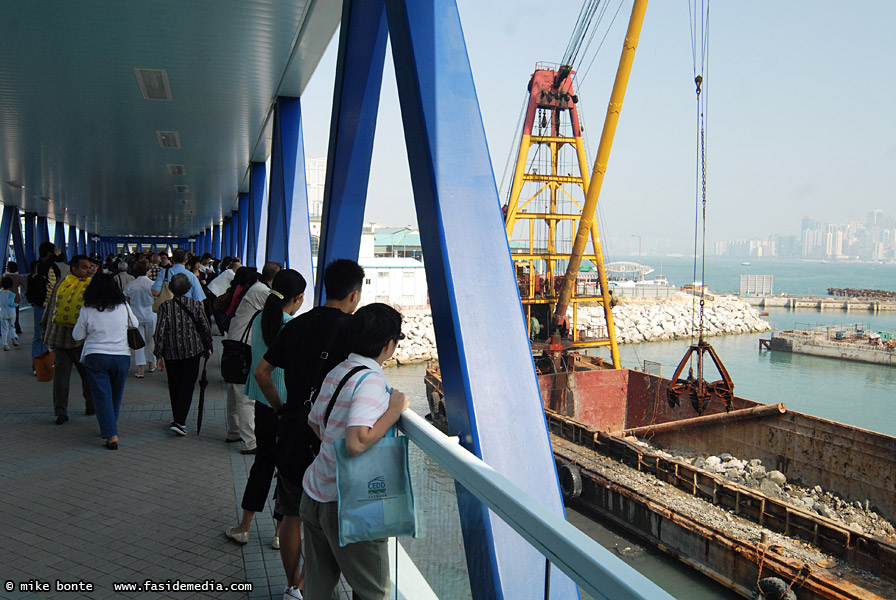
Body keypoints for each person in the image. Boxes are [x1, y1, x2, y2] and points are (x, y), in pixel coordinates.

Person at [254, 259, 365, 599]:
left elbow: (262, 372)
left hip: (292, 431)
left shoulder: (296, 325)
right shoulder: (354, 331)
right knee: (326, 516)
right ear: (354, 294)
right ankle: (309, 584)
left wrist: (281, 408)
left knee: (291, 513)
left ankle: (292, 586)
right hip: (330, 439)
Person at [300, 303, 409, 600]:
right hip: (346, 503)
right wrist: (395, 410)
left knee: (318, 588)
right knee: (374, 592)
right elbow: (357, 441)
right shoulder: (372, 381)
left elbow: (314, 422)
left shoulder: (341, 369)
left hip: (314, 493)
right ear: (389, 344)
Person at [224, 268, 303, 552]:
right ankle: (280, 534)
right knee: (287, 470)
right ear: (299, 298)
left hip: (262, 404)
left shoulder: (259, 319)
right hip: (285, 406)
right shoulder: (292, 327)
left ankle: (243, 527)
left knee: (262, 464)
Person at [72, 274, 137, 450]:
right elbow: (135, 324)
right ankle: (110, 426)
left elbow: (77, 335)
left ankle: (111, 434)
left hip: (96, 356)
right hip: (121, 356)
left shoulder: (87, 309)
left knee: (101, 395)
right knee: (116, 395)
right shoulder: (123, 306)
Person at [223, 262, 281, 454]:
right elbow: (280, 313)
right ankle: (250, 442)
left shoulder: (257, 287)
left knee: (234, 392)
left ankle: (233, 431)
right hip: (242, 347)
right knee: (244, 397)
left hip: (233, 342)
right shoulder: (263, 292)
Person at [153, 273, 213, 435]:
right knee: (187, 385)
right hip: (192, 350)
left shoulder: (165, 306)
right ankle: (180, 421)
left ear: (171, 288)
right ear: (188, 288)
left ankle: (177, 418)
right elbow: (205, 327)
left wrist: (158, 354)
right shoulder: (195, 305)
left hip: (171, 352)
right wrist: (209, 346)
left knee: (174, 384)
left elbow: (159, 331)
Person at [42, 255, 94, 424]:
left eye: (89, 267)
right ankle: (91, 404)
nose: (88, 270)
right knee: (87, 374)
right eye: (85, 267)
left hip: (59, 339)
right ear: (74, 268)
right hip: (81, 340)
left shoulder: (61, 284)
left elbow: (50, 310)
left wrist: (45, 331)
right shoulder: (88, 285)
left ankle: (60, 411)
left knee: (61, 377)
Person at [27, 241, 61, 363]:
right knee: (39, 335)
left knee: (52, 335)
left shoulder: (54, 267)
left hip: (54, 306)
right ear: (49, 253)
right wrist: (54, 256)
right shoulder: (37, 265)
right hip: (41, 305)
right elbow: (43, 269)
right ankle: (38, 364)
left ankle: (48, 361)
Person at [124, 259, 156, 377]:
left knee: (138, 342)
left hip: (136, 317)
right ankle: (152, 363)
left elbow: (126, 301)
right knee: (150, 340)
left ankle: (141, 369)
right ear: (148, 271)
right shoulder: (153, 284)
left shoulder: (131, 285)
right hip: (151, 315)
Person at [2, 261, 27, 335]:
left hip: (5, 298)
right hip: (16, 298)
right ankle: (17, 328)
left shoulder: (4, 276)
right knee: (15, 314)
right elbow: (25, 287)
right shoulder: (18, 277)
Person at [1, 276, 17, 350]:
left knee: (4, 329)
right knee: (12, 326)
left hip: (3, 314)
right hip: (11, 313)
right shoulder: (11, 294)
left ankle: (5, 344)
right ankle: (14, 339)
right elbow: (10, 303)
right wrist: (17, 304)